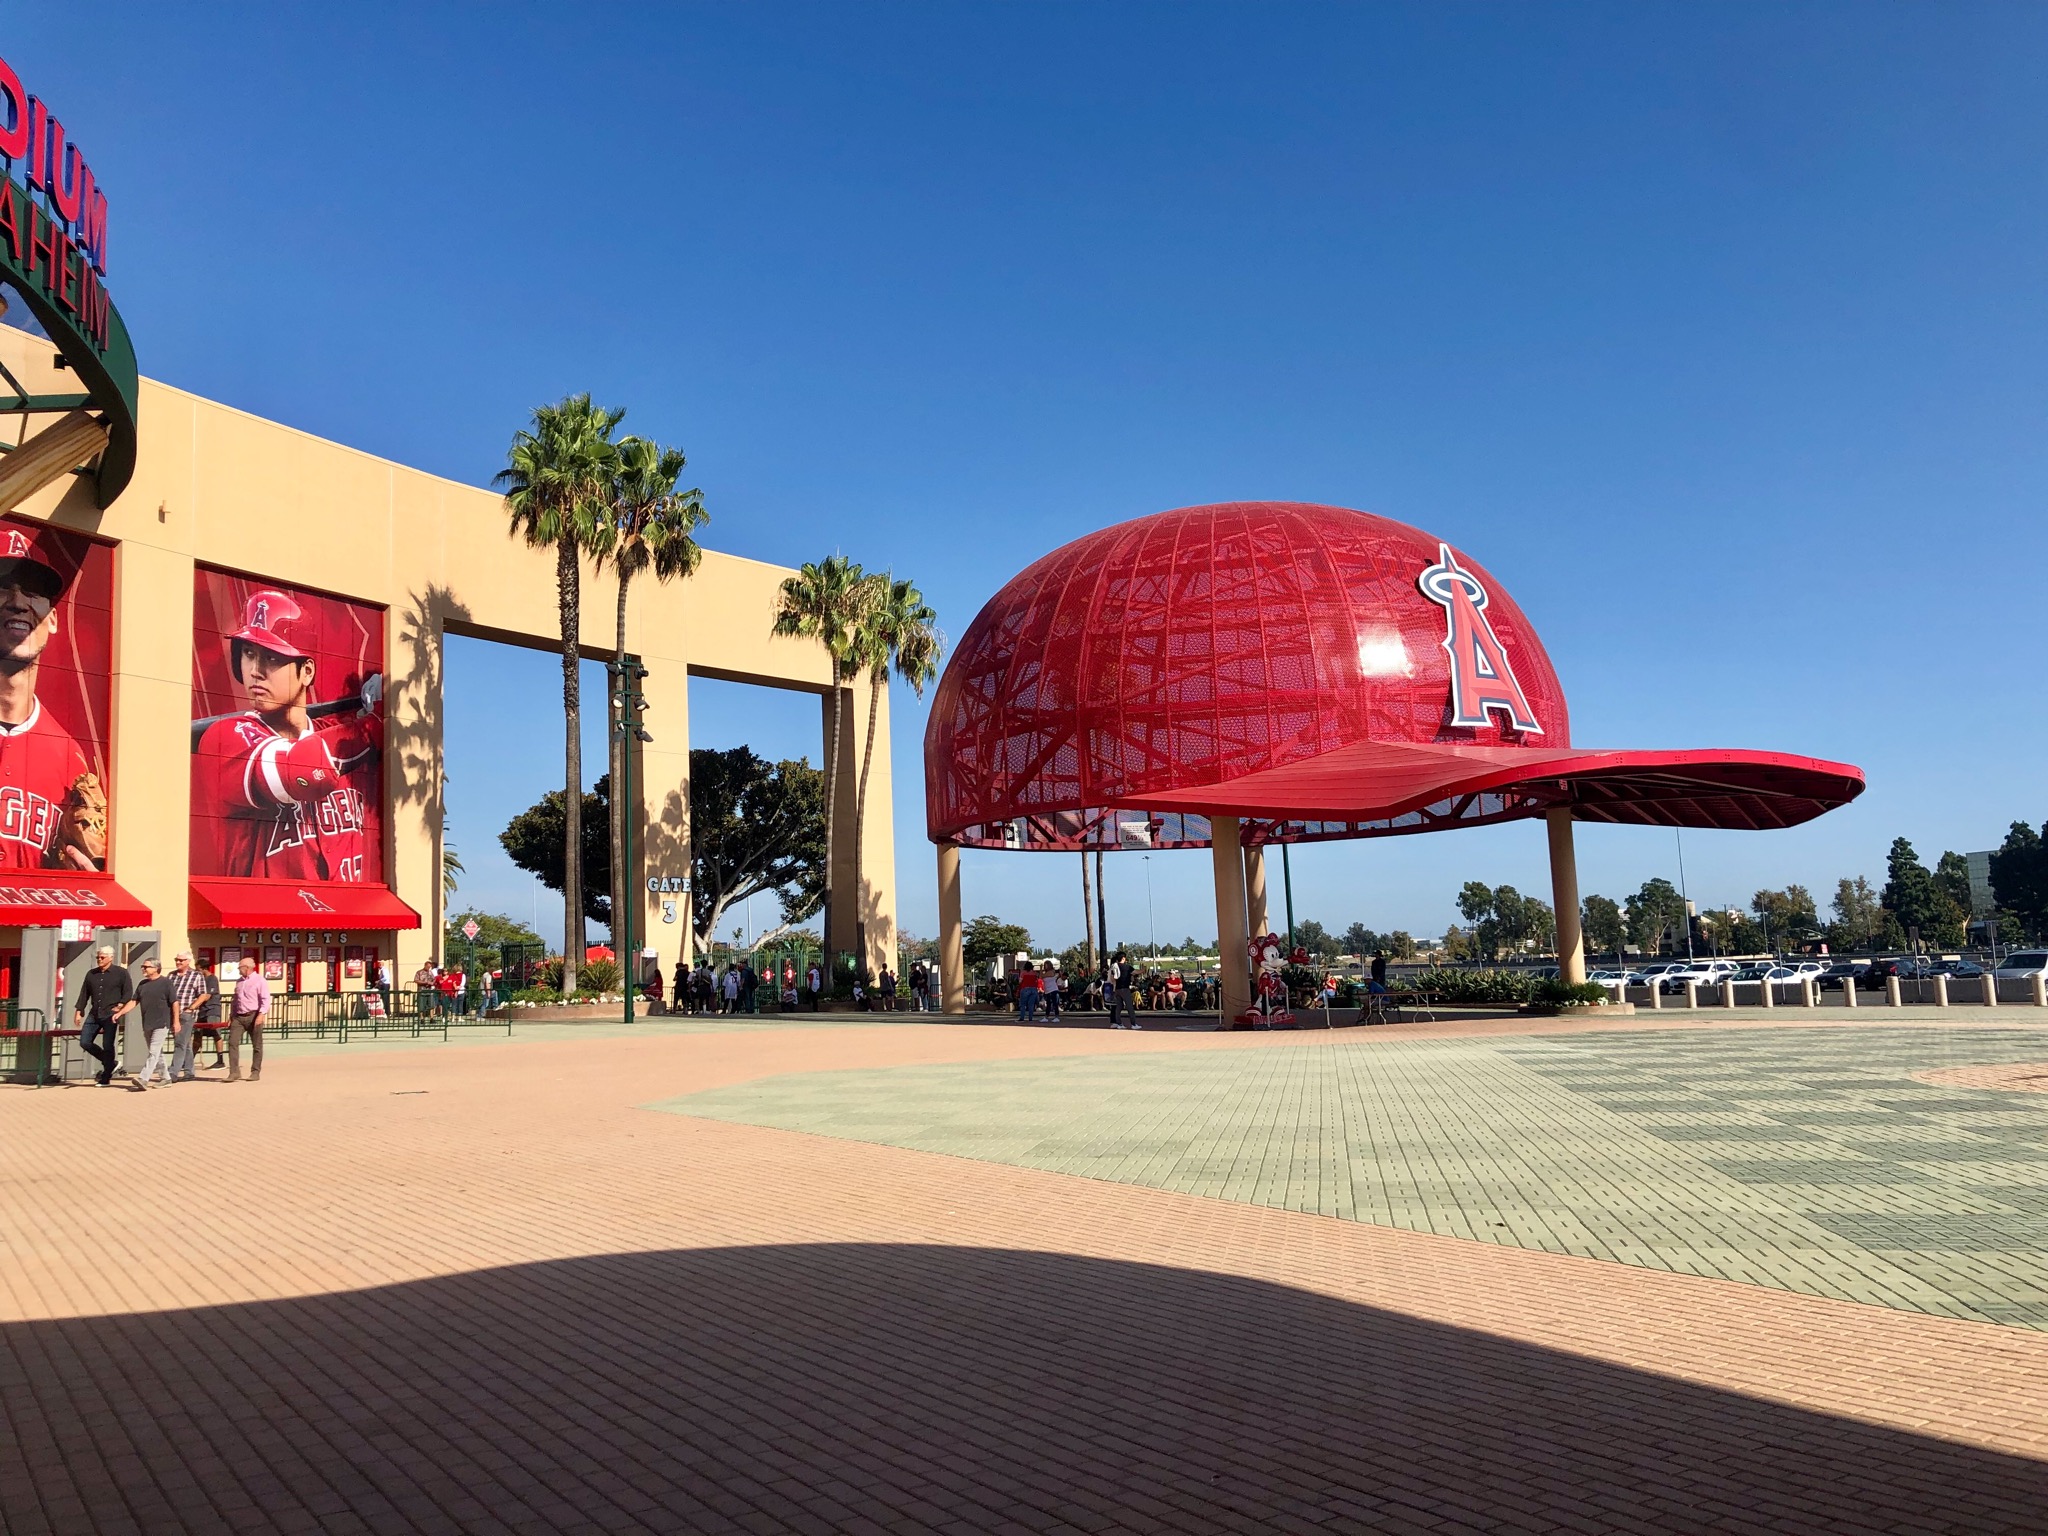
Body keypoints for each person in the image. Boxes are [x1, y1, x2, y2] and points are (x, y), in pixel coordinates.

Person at [193, 589, 382, 883]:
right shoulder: (225, 738)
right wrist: (376, 722)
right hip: (261, 910)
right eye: (249, 654)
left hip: (350, 908)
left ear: (306, 671)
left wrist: (392, 715)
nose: (256, 671)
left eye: (271, 657)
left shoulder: (336, 735)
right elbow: (305, 771)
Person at [0, 526, 107, 872]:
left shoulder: (70, 758)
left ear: (54, 619)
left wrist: (86, 884)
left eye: (33, 592)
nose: (18, 602)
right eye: (2, 587)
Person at [72, 944, 131, 1085]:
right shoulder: (91, 974)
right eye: (98, 957)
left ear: (111, 958)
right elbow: (84, 993)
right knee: (85, 1042)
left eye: (102, 957)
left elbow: (128, 992)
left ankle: (106, 1077)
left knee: (107, 1044)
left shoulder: (121, 973)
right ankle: (111, 1063)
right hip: (94, 1013)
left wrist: (120, 1006)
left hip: (111, 1014)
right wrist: (79, 1011)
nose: (99, 959)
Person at [130, 958, 180, 1090]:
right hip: (147, 1023)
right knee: (157, 1053)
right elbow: (134, 1001)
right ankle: (166, 1078)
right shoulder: (142, 984)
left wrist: (176, 1021)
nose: (143, 969)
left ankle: (143, 1078)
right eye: (142, 966)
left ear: (156, 968)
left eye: (146, 967)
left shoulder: (166, 983)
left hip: (162, 1023)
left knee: (153, 1052)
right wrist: (120, 1013)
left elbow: (174, 1002)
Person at [168, 950, 209, 1082]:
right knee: (184, 1043)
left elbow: (203, 994)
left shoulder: (196, 975)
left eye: (181, 960)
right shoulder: (171, 975)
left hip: (186, 1014)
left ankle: (173, 1072)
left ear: (188, 961)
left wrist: (191, 1008)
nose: (178, 962)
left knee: (180, 1043)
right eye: (176, 960)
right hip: (172, 1014)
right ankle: (189, 1072)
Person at [229, 954, 271, 1082]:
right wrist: (231, 1015)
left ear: (247, 968)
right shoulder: (239, 981)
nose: (238, 970)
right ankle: (234, 1072)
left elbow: (265, 998)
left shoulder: (260, 980)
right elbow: (235, 999)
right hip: (238, 1016)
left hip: (254, 1015)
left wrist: (261, 1014)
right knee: (232, 1043)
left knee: (257, 1045)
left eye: (240, 967)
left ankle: (255, 1072)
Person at [1109, 949, 1138, 1030]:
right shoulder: (1127, 967)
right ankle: (1133, 1024)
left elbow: (1112, 978)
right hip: (1125, 988)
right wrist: (1143, 970)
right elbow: (1136, 972)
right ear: (1123, 958)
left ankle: (1119, 1023)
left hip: (1117, 989)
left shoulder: (1114, 967)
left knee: (1118, 1007)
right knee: (1129, 1006)